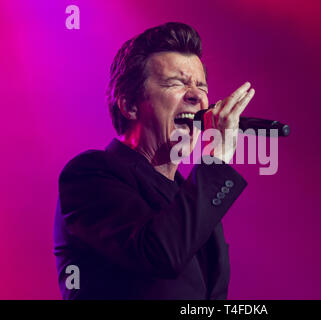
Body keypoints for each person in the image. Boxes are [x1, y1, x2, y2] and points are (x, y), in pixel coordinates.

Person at [53, 22, 255, 299]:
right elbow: (159, 253)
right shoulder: (89, 175)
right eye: (176, 83)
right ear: (129, 105)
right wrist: (216, 160)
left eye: (201, 86)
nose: (196, 96)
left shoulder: (189, 192)